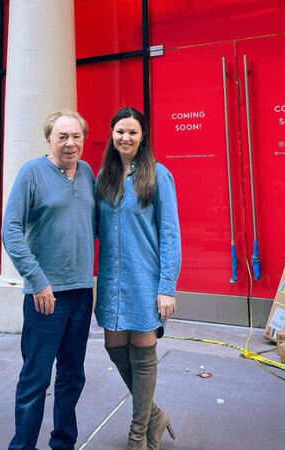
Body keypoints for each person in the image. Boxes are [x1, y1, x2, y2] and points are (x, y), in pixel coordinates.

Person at [2, 110, 96, 450]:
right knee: (36, 378)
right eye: (62, 137)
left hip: (82, 293)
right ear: (49, 140)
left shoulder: (86, 173)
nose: (70, 143)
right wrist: (38, 281)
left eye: (76, 137)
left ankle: (63, 443)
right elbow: (10, 230)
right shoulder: (32, 173)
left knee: (72, 376)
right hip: (46, 295)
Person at [94, 107, 180, 450]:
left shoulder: (159, 176)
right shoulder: (103, 178)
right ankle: (155, 415)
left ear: (143, 136)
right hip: (112, 281)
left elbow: (170, 234)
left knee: (143, 350)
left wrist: (166, 288)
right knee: (114, 346)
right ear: (112, 137)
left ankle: (138, 436)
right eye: (120, 132)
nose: (126, 138)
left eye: (132, 132)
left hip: (145, 279)